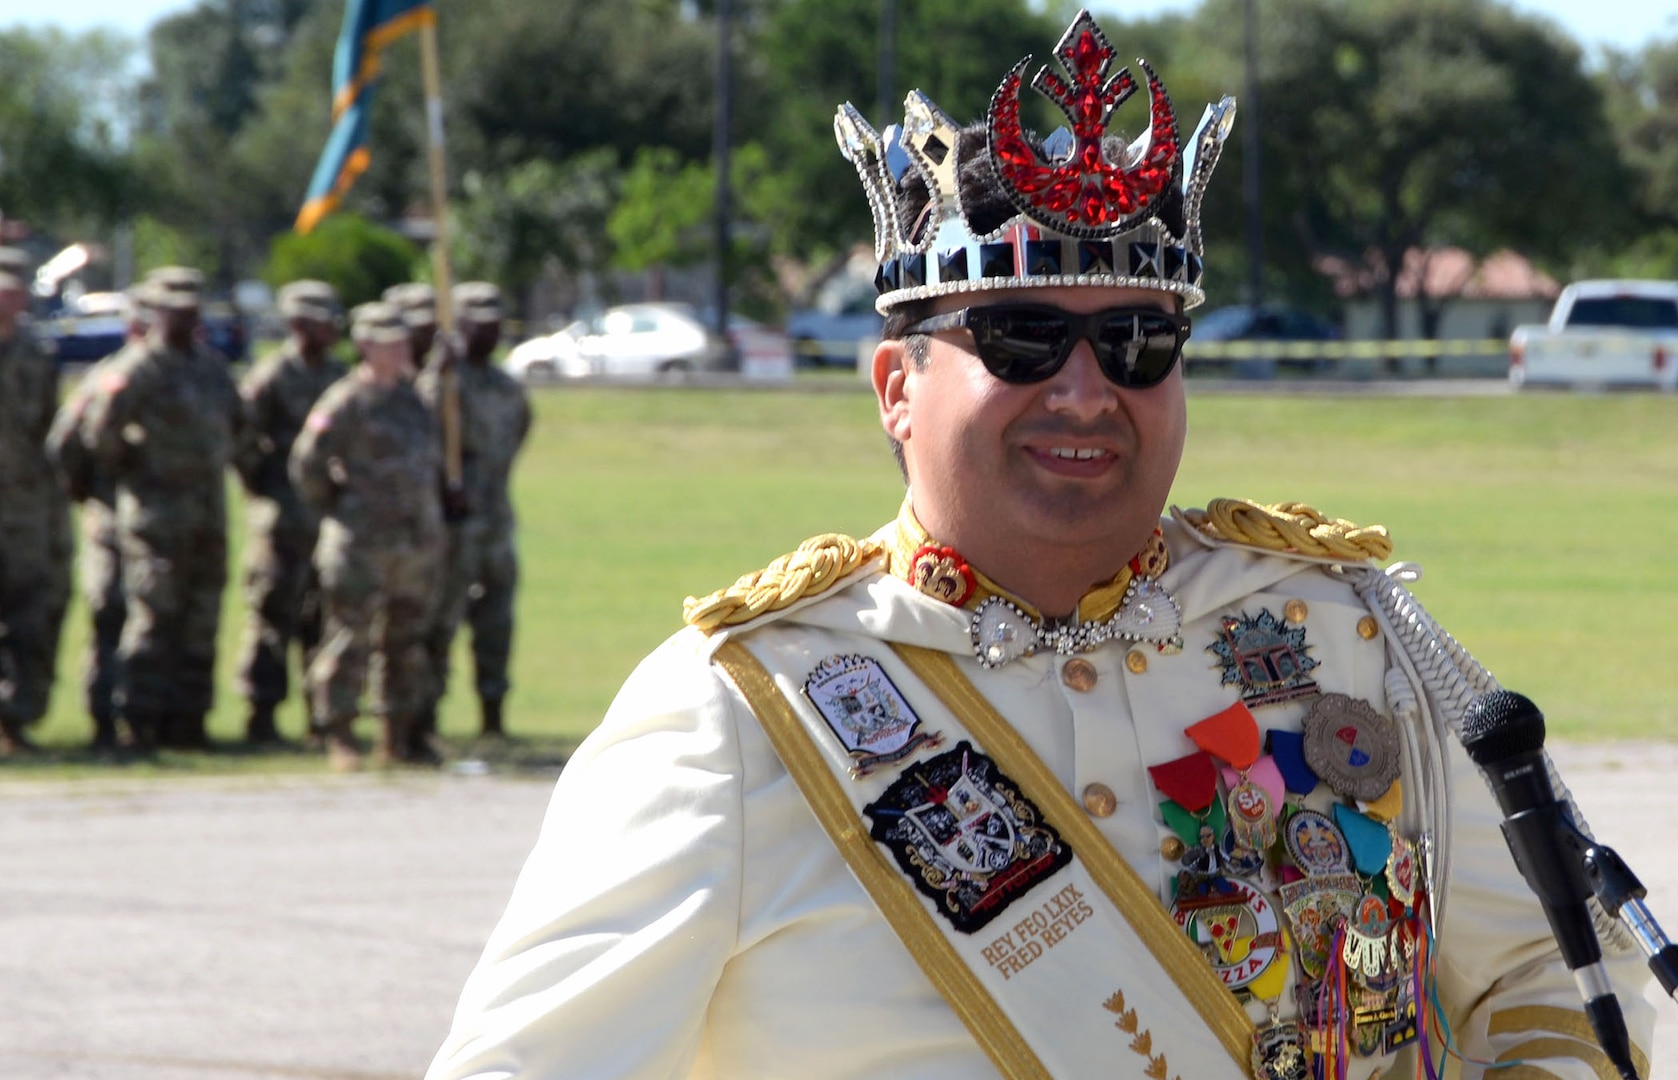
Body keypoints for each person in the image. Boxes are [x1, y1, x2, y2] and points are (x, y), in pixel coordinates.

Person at [427, 11, 1654, 1080]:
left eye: (1136, 342)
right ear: (894, 388)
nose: (1083, 391)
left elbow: (1560, 979)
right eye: (1018, 339)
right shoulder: (741, 716)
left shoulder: (1347, 633)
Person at [76, 266, 241, 750]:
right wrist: (136, 468)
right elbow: (98, 436)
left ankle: (189, 722)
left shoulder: (211, 369)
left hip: (208, 514)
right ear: (155, 314)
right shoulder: (135, 371)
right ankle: (140, 721)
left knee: (202, 620)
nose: (185, 319)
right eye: (175, 311)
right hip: (154, 519)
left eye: (191, 311)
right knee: (152, 619)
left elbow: (240, 426)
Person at [289, 301, 444, 770]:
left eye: (402, 343)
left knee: (405, 639)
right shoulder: (346, 400)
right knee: (348, 639)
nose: (399, 352)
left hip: (413, 544)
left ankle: (395, 735)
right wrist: (338, 506)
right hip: (359, 542)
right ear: (364, 347)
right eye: (388, 345)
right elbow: (306, 463)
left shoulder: (414, 399)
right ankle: (337, 732)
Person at [231, 279, 348, 745]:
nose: (331, 329)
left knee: (323, 617)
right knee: (272, 615)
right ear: (299, 324)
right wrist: (262, 484)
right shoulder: (271, 376)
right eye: (322, 320)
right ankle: (261, 715)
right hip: (281, 521)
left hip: (328, 520)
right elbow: (240, 436)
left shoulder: (338, 376)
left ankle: (321, 717)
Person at [415, 281, 532, 742]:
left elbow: (518, 435)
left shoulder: (506, 387)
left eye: (494, 325)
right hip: (452, 527)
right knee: (441, 619)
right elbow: (420, 432)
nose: (487, 334)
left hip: (496, 522)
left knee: (497, 620)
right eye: (477, 325)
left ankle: (493, 713)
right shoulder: (443, 382)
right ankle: (424, 715)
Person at [45, 292, 148, 750]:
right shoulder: (107, 379)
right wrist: (88, 495)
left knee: (158, 620)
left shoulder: (190, 372)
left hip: (166, 523)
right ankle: (105, 720)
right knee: (111, 613)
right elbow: (66, 444)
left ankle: (153, 719)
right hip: (113, 521)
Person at [0, 246, 64, 754]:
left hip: (23, 509)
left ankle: (13, 722)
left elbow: (50, 432)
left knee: (27, 615)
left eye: (14, 290)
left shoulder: (36, 356)